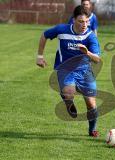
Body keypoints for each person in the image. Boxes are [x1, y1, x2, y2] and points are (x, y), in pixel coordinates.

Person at [36, 5, 101, 137]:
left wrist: (87, 52)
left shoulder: (90, 37)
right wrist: (39, 56)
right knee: (68, 92)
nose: (84, 25)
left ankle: (92, 129)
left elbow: (97, 59)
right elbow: (44, 35)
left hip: (84, 71)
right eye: (81, 21)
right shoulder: (62, 29)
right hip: (65, 68)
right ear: (73, 20)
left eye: (87, 22)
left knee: (91, 103)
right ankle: (68, 101)